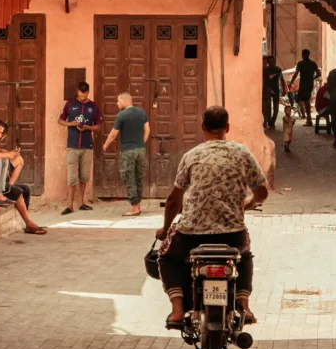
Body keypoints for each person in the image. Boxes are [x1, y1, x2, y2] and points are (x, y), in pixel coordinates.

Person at [156, 106, 268, 330]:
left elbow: (173, 201)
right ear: (227, 127)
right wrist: (249, 203)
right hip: (232, 235)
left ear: (202, 127)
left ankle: (177, 310)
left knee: (166, 257)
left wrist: (165, 229)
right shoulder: (243, 153)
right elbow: (262, 192)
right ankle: (244, 305)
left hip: (191, 235)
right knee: (245, 256)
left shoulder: (192, 156)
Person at [0, 117, 47, 235]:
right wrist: (7, 155)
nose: (0, 136)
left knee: (24, 190)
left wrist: (11, 153)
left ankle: (25, 222)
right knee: (17, 191)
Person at [101, 91, 150, 216]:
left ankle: (134, 208)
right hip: (140, 150)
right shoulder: (142, 113)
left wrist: (105, 145)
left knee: (128, 177)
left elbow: (113, 134)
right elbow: (147, 130)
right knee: (138, 177)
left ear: (124, 100)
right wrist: (141, 143)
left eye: (118, 101)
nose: (117, 104)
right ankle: (138, 205)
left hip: (127, 151)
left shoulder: (121, 115)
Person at [57, 80, 100, 215]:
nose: (83, 98)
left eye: (85, 95)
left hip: (87, 146)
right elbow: (60, 120)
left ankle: (81, 203)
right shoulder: (70, 104)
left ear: (88, 93)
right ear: (77, 92)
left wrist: (88, 127)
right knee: (72, 177)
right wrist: (70, 124)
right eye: (81, 95)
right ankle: (70, 205)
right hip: (73, 146)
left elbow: (98, 126)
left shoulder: (93, 106)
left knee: (84, 176)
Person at [289, 49, 320, 125]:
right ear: (308, 54)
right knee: (306, 100)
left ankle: (308, 119)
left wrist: (291, 82)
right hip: (310, 84)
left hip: (303, 84)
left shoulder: (300, 63)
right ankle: (306, 116)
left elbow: (296, 73)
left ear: (303, 55)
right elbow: (319, 74)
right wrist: (312, 78)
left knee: (303, 100)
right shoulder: (313, 63)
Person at [261, 55, 284, 130]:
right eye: (270, 62)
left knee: (276, 109)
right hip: (267, 90)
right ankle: (270, 122)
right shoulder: (265, 70)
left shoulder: (278, 69)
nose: (272, 63)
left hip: (276, 90)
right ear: (268, 62)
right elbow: (265, 79)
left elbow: (282, 79)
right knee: (268, 108)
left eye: (273, 61)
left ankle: (272, 122)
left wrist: (284, 89)